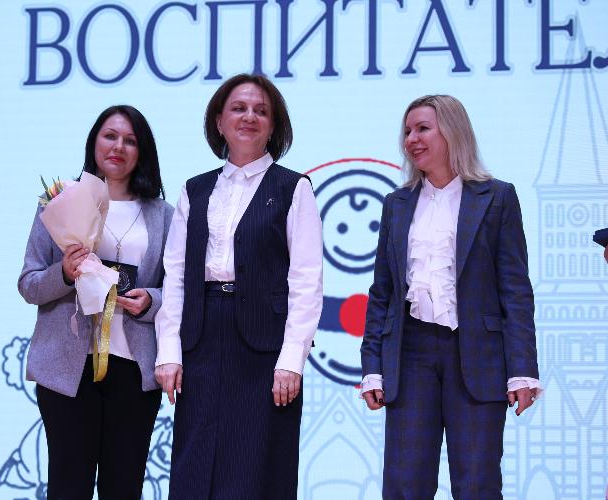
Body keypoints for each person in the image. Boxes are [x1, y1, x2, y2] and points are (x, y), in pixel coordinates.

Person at [360, 95, 542, 499]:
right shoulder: (396, 204)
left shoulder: (497, 197)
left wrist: (522, 369)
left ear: (453, 131)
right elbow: (382, 292)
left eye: (423, 128)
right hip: (410, 355)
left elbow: (515, 291)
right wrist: (372, 365)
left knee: (477, 483)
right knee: (405, 484)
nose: (411, 139)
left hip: (478, 355)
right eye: (407, 131)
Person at [154, 73, 323, 499]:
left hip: (264, 348)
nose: (250, 117)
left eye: (261, 111)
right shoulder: (195, 190)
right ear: (219, 121)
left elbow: (306, 280)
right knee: (196, 465)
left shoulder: (293, 188)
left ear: (274, 125)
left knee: (255, 467)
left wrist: (291, 360)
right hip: (201, 339)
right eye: (239, 108)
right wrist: (169, 350)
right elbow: (176, 275)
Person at [18, 105, 174, 499]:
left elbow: (178, 291)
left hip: (134, 370)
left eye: (130, 140)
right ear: (94, 142)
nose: (118, 146)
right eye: (110, 136)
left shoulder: (165, 216)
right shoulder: (59, 202)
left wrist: (151, 301)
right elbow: (29, 284)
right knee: (68, 487)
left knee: (123, 488)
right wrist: (64, 273)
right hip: (68, 369)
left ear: (143, 151)